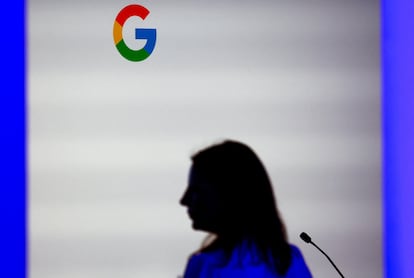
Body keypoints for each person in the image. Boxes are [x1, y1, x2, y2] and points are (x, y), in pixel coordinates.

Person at [180, 140, 312, 277]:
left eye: (196, 190)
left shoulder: (204, 266)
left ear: (230, 195)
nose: (183, 200)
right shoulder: (291, 261)